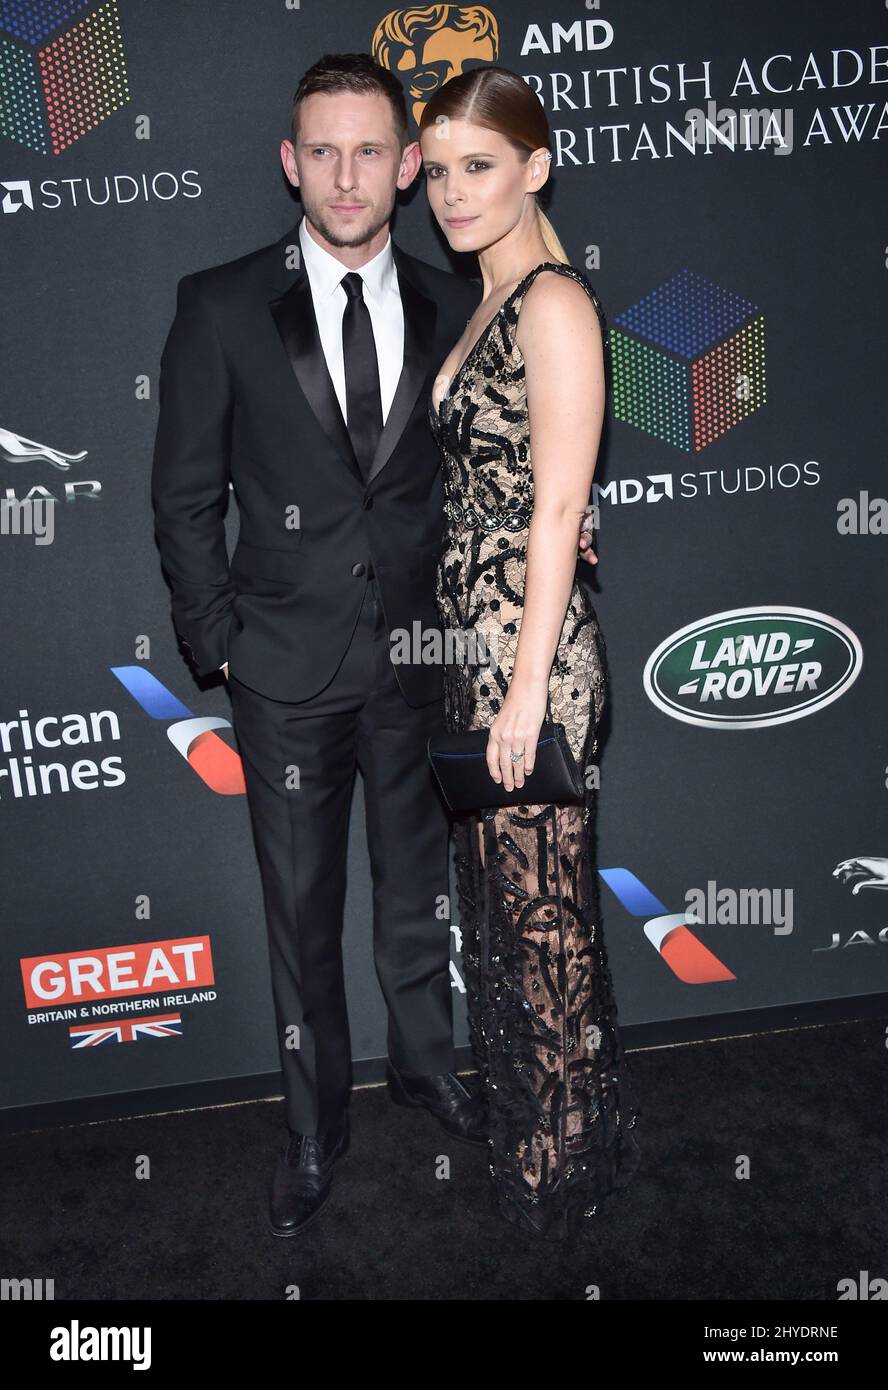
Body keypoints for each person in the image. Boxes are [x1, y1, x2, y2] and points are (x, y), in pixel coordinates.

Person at [150, 53, 598, 1239]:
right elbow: (184, 496)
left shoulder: (466, 305)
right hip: (283, 673)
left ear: (408, 168)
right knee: (299, 918)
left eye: (372, 152)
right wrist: (222, 646)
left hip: (428, 663)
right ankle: (313, 1126)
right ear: (291, 164)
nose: (347, 177)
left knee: (419, 897)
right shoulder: (220, 302)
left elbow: (516, 459)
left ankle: (425, 1064)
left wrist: (567, 511)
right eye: (323, 152)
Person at [421, 65, 642, 1241]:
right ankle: (540, 1127)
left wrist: (519, 697)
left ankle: (559, 1168)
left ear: (535, 167)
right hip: (481, 649)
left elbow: (557, 511)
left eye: (481, 167)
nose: (453, 194)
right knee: (510, 915)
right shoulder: (489, 297)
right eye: (442, 170)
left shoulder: (551, 302)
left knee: (544, 914)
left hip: (534, 666)